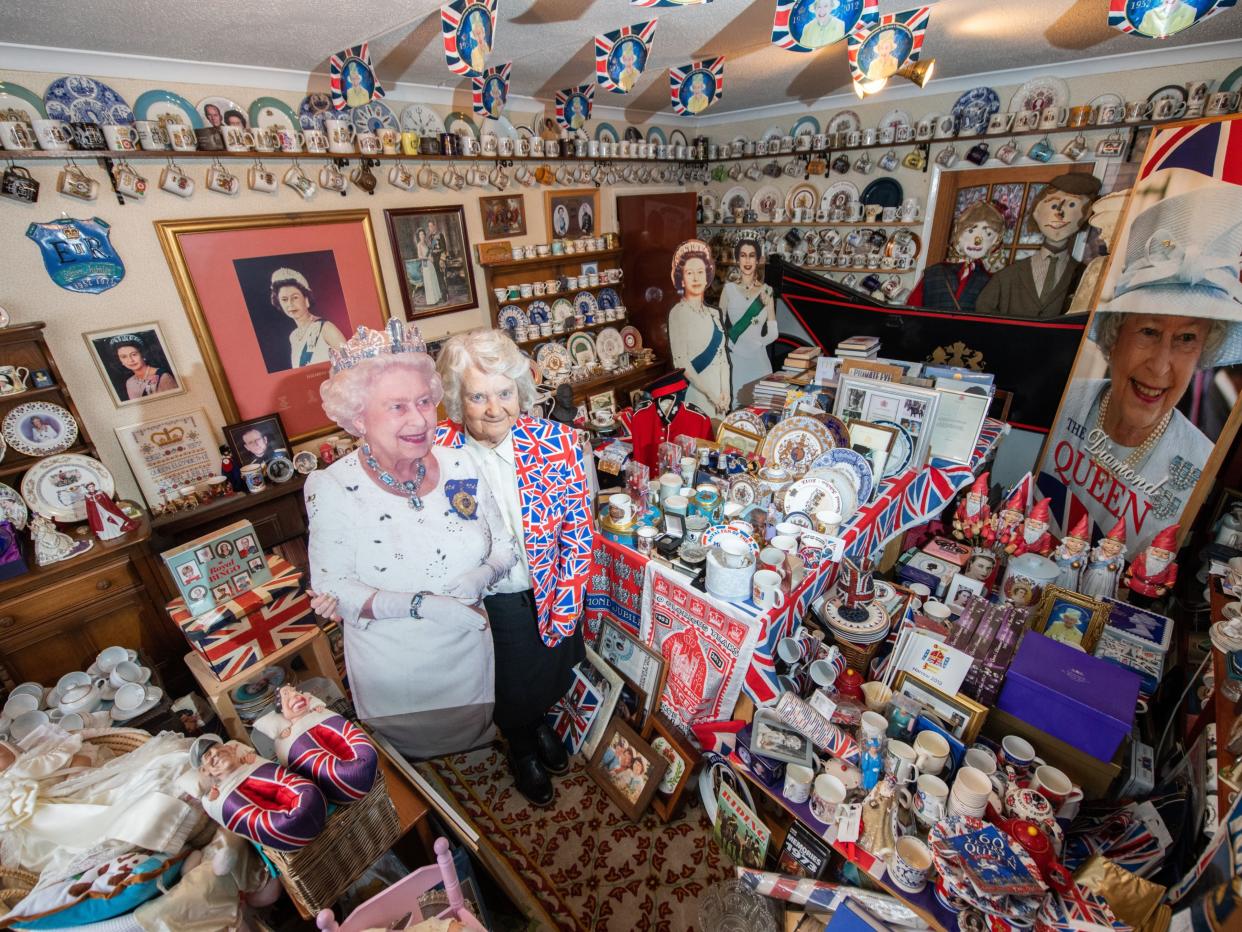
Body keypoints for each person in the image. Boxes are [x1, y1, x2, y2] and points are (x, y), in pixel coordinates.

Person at [304, 319, 519, 759]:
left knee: (475, 751)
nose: (421, 420)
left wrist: (486, 572)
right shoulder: (331, 487)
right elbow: (332, 588)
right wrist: (422, 605)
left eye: (424, 401)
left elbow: (503, 544)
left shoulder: (459, 464)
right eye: (397, 407)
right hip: (398, 672)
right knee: (415, 773)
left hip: (468, 657)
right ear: (358, 418)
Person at [435, 329, 595, 807]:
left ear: (520, 391)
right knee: (505, 679)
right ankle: (522, 746)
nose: (493, 408)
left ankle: (539, 722)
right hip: (488, 597)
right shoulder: (436, 455)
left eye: (504, 393)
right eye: (477, 396)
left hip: (549, 586)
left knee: (549, 667)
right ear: (456, 399)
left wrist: (567, 597)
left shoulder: (558, 443)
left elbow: (579, 529)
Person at [1039, 181, 1242, 553]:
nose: (1161, 367)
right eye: (1148, 331)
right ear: (1114, 338)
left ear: (1204, 352)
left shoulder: (1198, 462)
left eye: (1186, 339)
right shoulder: (1063, 405)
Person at [976, 173, 1103, 318]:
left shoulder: (1084, 277)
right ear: (1037, 212)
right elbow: (983, 312)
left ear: (1086, 215)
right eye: (1054, 205)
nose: (1059, 214)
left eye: (1072, 205)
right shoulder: (1007, 277)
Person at [669, 239, 731, 418]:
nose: (696, 278)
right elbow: (682, 364)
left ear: (707, 277)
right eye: (689, 273)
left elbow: (723, 360)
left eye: (700, 272)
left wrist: (725, 393)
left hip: (719, 399)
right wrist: (711, 395)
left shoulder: (714, 313)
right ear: (682, 280)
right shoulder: (678, 313)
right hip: (696, 396)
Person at [908, 202, 1005, 312]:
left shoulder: (994, 280)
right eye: (970, 231)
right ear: (958, 232)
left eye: (988, 234)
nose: (977, 241)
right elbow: (911, 312)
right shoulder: (933, 273)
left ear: (996, 240)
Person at [721, 236, 777, 404]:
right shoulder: (728, 290)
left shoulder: (767, 291)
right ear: (737, 259)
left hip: (759, 363)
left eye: (752, 255)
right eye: (743, 255)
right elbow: (719, 328)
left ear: (758, 259)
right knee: (737, 411)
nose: (747, 260)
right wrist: (733, 346)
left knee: (761, 410)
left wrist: (758, 343)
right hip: (735, 363)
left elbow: (774, 333)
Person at [270, 267, 346, 369]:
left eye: (295, 297)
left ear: (306, 299)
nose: (290, 304)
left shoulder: (325, 328)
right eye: (284, 299)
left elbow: (351, 363)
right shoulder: (293, 336)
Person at [109, 332, 178, 400]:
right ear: (120, 360)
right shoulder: (129, 382)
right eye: (124, 357)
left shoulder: (163, 377)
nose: (130, 360)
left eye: (134, 354)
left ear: (142, 354)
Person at [1080, 518, 1127, 600]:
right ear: (1104, 542)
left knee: (1103, 588)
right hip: (1094, 573)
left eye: (1116, 546)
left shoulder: (1118, 556)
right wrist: (1093, 555)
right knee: (1090, 585)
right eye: (1109, 543)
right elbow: (1092, 559)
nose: (1111, 547)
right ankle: (1086, 595)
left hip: (1107, 575)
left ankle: (1100, 598)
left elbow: (1117, 566)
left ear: (1121, 548)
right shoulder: (1098, 550)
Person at [1051, 514, 1090, 592]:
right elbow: (1057, 559)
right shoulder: (1062, 549)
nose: (1075, 545)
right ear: (1067, 541)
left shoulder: (1081, 554)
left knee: (1068, 586)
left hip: (1072, 574)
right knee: (1056, 583)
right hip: (1059, 570)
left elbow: (1081, 564)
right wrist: (1057, 554)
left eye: (1080, 544)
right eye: (1072, 541)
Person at [416, 229, 443, 306]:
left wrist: (433, 255)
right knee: (429, 282)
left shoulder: (426, 243)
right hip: (425, 264)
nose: (422, 236)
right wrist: (428, 258)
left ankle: (436, 298)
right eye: (421, 234)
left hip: (431, 263)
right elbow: (419, 256)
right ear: (419, 236)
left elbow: (430, 252)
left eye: (423, 234)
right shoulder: (419, 245)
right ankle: (432, 300)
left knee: (433, 279)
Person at [467, 9, 490, 73]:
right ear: (474, 36)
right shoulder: (474, 53)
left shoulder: (489, 47)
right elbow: (476, 71)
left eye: (479, 33)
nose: (478, 37)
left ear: (483, 32)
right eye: (476, 35)